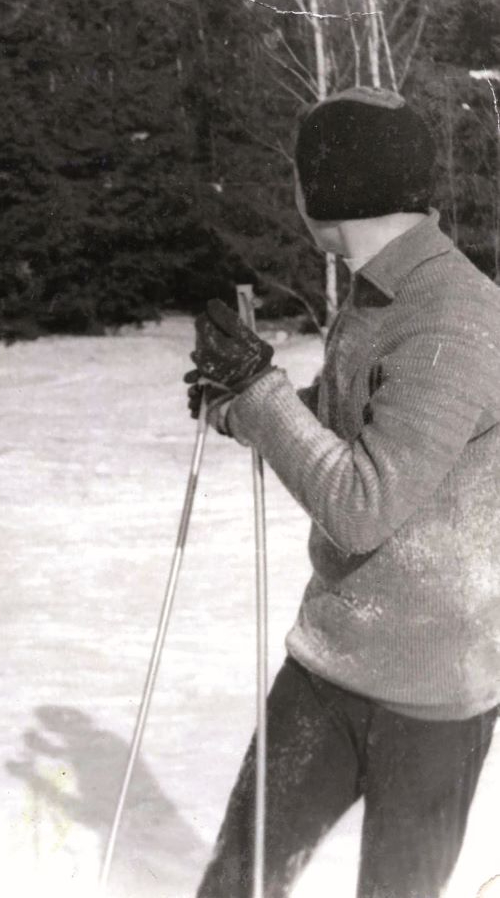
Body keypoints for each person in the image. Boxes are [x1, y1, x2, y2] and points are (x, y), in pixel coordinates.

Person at [187, 87, 500, 898]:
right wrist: (239, 405)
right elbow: (340, 436)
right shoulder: (378, 291)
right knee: (237, 881)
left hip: (432, 696)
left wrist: (262, 400)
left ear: (326, 189)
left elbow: (362, 503)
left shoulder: (452, 316)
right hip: (333, 660)